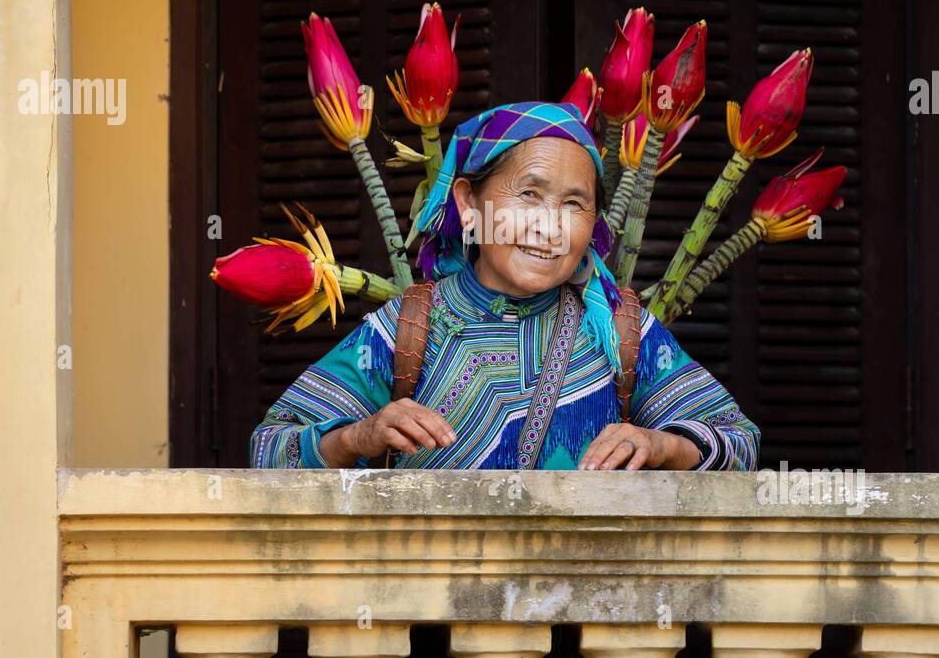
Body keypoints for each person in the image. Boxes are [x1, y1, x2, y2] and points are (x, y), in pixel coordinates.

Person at [250, 101, 759, 471]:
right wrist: (360, 435)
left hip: (582, 613)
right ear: (470, 203)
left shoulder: (622, 331)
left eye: (573, 205)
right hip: (433, 617)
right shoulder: (405, 332)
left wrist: (662, 446)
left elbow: (741, 443)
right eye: (530, 195)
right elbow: (269, 449)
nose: (550, 226)